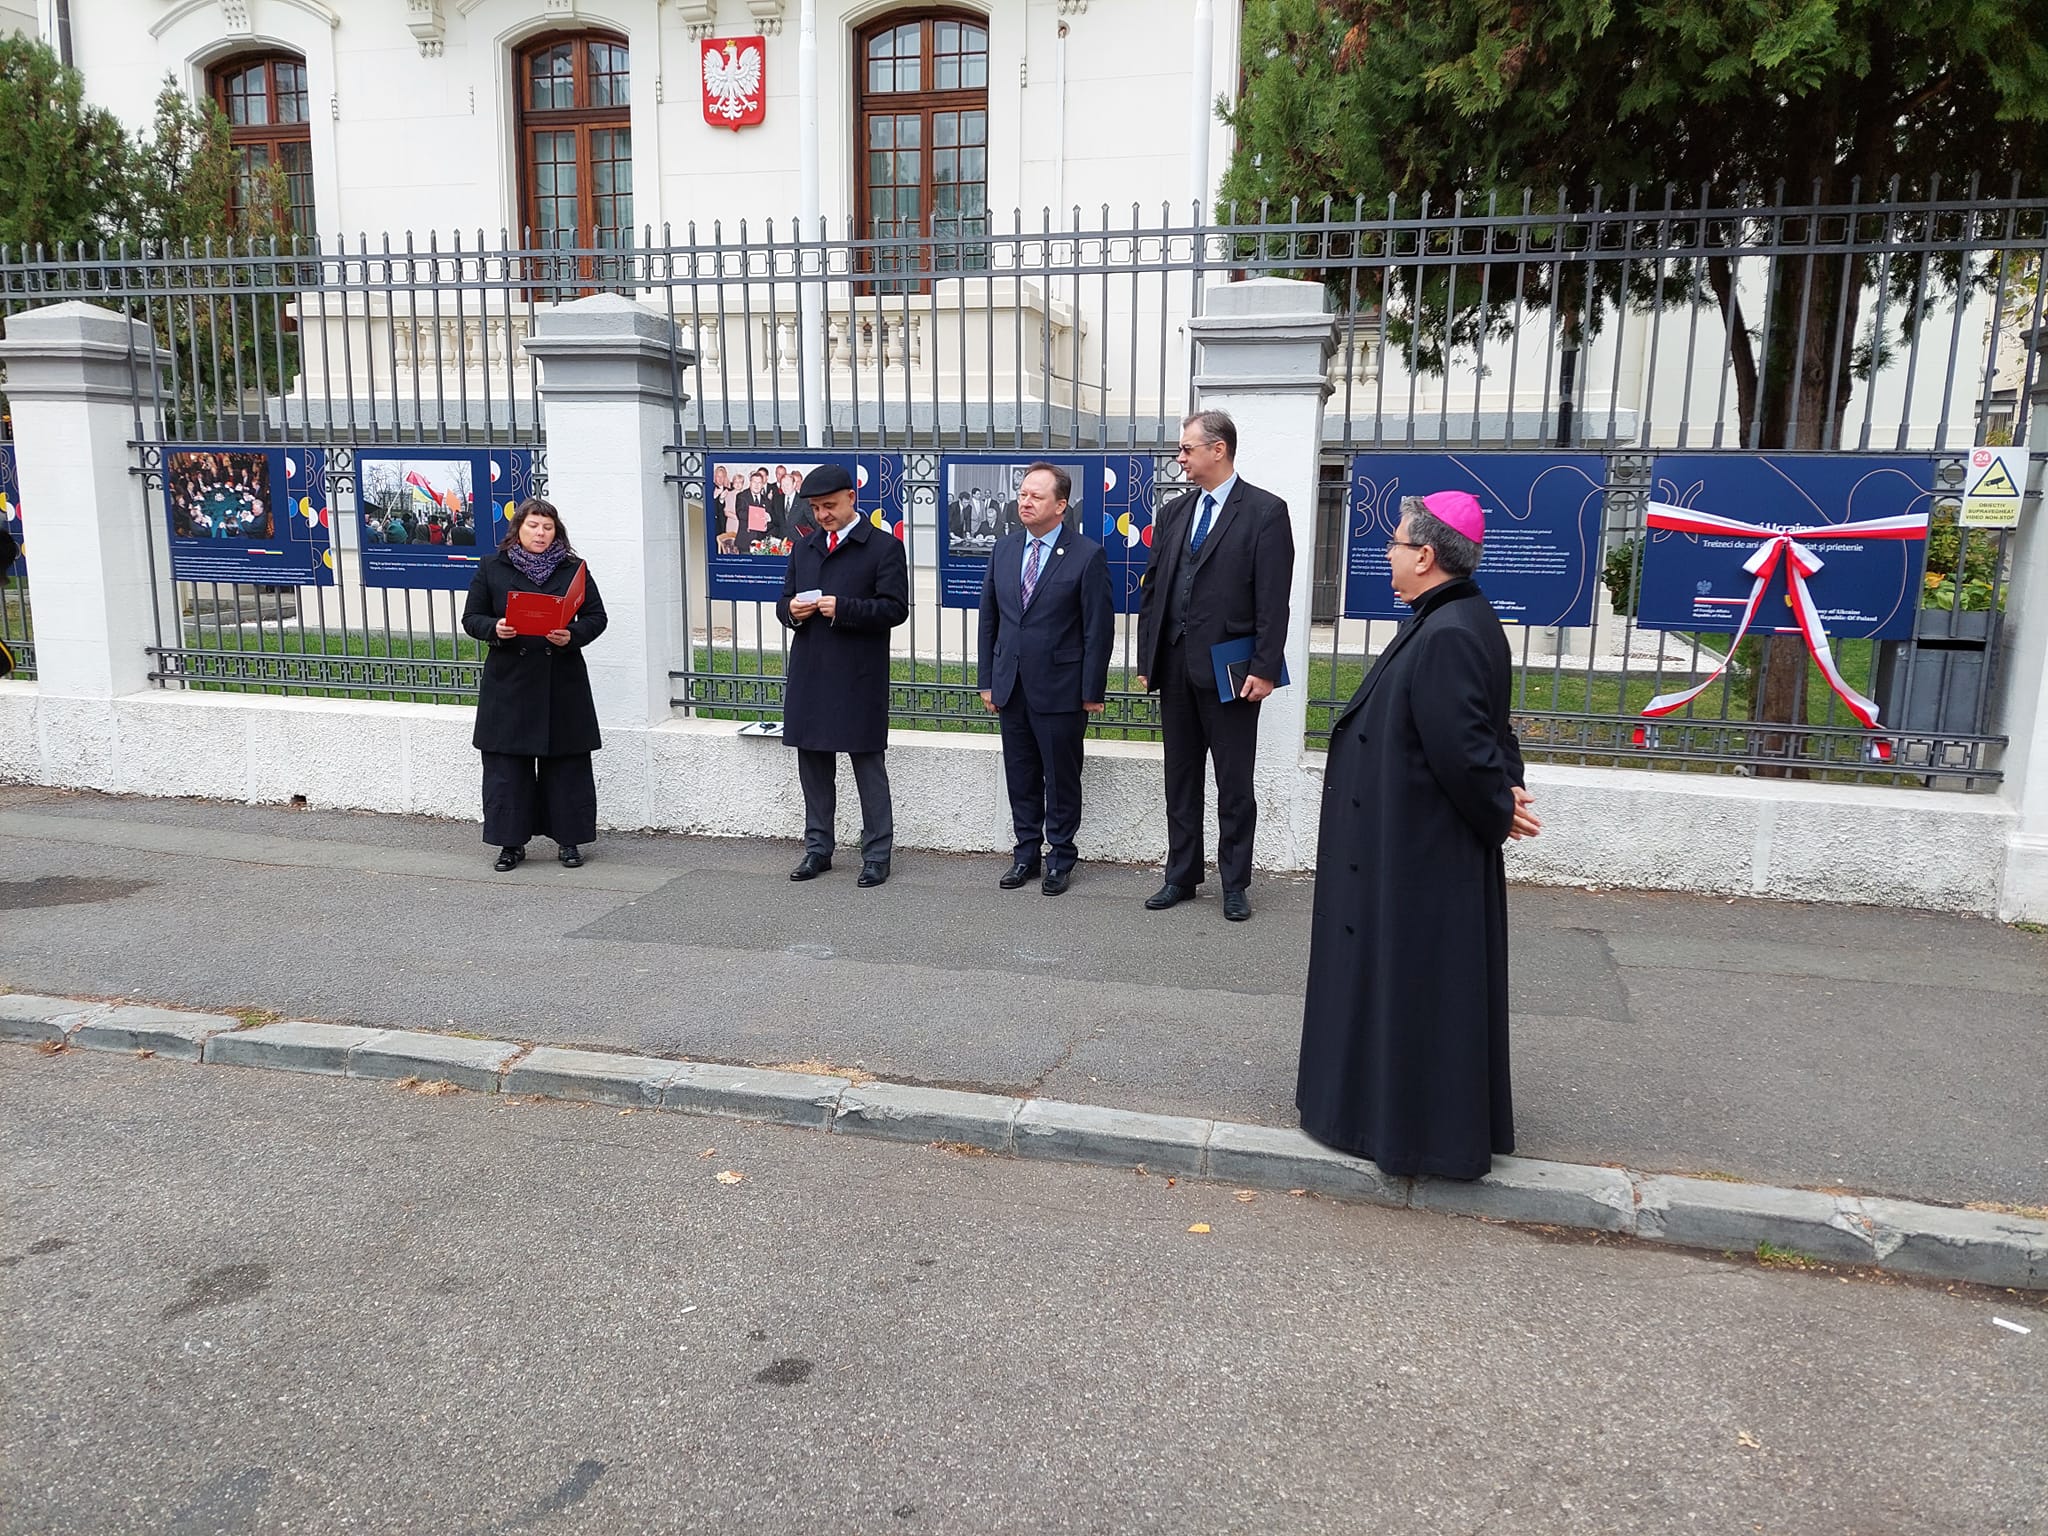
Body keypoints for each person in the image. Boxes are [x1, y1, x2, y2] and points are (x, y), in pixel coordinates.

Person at [1295, 491, 1541, 1180]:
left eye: (1396, 544)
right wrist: (1505, 787)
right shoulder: (1452, 616)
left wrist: (1498, 798)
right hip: (1409, 841)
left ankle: (1408, 1133)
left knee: (1412, 990)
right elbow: (1488, 731)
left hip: (1417, 852)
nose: (1388, 554)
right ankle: (1380, 1116)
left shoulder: (1450, 631)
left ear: (1427, 555)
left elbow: (1468, 746)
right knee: (1405, 990)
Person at [1133, 409, 1293, 922]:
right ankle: (1181, 874)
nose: (1179, 457)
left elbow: (1274, 599)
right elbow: (1154, 590)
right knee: (1180, 778)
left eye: (1187, 449)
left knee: (1233, 783)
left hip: (1231, 671)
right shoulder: (1174, 513)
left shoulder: (1265, 512)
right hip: (1176, 665)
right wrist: (1148, 657)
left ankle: (1235, 883)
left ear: (1217, 449)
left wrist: (1265, 667)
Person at [977, 462, 1114, 894]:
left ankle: (1060, 858)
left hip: (1061, 689)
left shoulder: (1086, 554)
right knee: (1020, 776)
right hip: (1011, 685)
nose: (1025, 502)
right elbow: (990, 619)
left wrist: (1091, 690)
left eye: (1036, 496)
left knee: (1060, 777)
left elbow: (1097, 630)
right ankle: (1026, 855)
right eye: (1022, 494)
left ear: (1060, 505)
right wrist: (987, 681)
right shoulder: (1004, 549)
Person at [776, 463, 910, 887]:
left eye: (829, 506)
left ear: (852, 498)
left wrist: (845, 608)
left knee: (868, 767)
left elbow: (895, 609)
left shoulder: (884, 547)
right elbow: (784, 600)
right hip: (812, 671)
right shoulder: (805, 547)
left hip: (858, 675)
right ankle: (818, 849)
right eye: (816, 508)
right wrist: (791, 611)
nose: (823, 515)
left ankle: (877, 854)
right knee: (813, 767)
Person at [460, 497, 609, 872]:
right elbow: (471, 617)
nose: (540, 533)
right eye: (533, 526)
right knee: (507, 769)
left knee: (567, 766)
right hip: (509, 682)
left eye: (547, 527)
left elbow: (596, 617)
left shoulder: (574, 569)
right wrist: (495, 628)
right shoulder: (492, 566)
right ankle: (510, 843)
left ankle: (569, 840)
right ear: (518, 529)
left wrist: (572, 635)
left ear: (556, 532)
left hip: (562, 680)